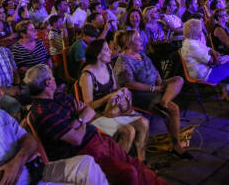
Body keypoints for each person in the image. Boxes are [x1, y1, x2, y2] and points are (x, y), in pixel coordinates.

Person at [0, 68, 107, 185]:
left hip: (33, 170)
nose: (1, 93)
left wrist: (17, 161)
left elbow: (30, 140)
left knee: (87, 163)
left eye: (0, 88)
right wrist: (13, 166)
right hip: (23, 180)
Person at [25, 64, 168, 185]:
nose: (55, 78)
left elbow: (88, 111)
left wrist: (78, 120)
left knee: (135, 164)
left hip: (97, 138)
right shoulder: (43, 113)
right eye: (52, 76)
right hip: (85, 151)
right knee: (129, 173)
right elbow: (77, 138)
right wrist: (81, 119)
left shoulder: (58, 95)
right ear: (48, 82)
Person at [113, 30, 192, 159]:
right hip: (139, 93)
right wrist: (154, 88)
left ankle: (164, 102)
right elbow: (129, 84)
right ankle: (177, 146)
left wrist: (160, 82)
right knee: (174, 109)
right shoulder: (123, 60)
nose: (141, 41)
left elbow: (155, 71)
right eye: (138, 40)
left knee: (178, 79)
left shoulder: (142, 55)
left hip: (155, 87)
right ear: (129, 44)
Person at [79, 39, 149, 160]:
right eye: (106, 50)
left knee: (144, 123)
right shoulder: (87, 75)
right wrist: (109, 97)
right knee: (128, 131)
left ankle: (141, 162)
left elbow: (115, 90)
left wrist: (121, 98)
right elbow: (88, 105)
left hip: (112, 110)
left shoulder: (107, 67)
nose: (110, 52)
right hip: (96, 116)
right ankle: (119, 166)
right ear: (97, 55)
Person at [181, 18, 229, 114]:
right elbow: (212, 62)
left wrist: (213, 52)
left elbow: (208, 49)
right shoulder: (191, 45)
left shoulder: (192, 41)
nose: (202, 30)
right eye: (200, 28)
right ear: (196, 31)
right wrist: (216, 56)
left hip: (207, 69)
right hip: (204, 74)